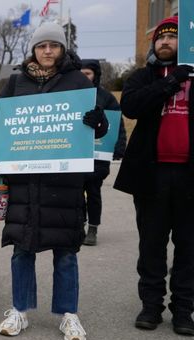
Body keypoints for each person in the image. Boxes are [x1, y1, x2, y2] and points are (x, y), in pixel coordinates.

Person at [0, 22, 109, 340]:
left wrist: (99, 122)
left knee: (66, 250)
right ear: (33, 50)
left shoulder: (77, 81)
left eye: (53, 45)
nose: (47, 51)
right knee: (22, 248)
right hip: (24, 181)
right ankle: (19, 309)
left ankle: (69, 315)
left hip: (62, 182)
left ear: (62, 49)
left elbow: (101, 128)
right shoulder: (15, 83)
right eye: (41, 46)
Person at [114, 16, 194, 336]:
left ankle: (184, 310)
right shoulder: (141, 77)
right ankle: (151, 306)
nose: (165, 42)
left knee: (188, 246)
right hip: (152, 175)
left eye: (172, 38)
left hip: (189, 176)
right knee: (152, 244)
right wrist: (170, 81)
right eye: (161, 37)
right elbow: (132, 106)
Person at [79, 59, 127, 246]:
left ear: (95, 76)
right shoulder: (71, 96)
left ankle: (93, 228)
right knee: (76, 194)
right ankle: (80, 226)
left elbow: (117, 125)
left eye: (88, 73)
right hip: (77, 156)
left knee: (93, 192)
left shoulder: (107, 98)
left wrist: (118, 146)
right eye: (80, 73)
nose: (84, 77)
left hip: (98, 157)